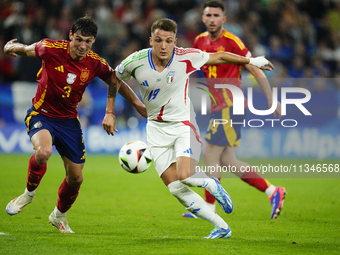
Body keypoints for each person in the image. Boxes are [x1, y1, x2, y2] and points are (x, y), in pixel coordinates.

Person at [102, 18, 274, 239]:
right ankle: (222, 227)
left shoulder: (186, 57)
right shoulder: (135, 61)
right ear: (150, 40)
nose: (163, 46)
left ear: (175, 41)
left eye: (168, 41)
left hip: (183, 124)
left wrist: (252, 60)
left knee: (184, 174)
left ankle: (212, 183)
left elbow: (220, 56)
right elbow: (114, 76)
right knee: (175, 189)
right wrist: (115, 109)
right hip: (155, 129)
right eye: (158, 40)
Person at [4, 16, 146, 233]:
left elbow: (114, 79)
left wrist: (133, 104)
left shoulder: (95, 62)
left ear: (93, 41)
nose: (82, 46)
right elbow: (26, 49)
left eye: (88, 41)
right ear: (70, 35)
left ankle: (59, 215)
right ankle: (28, 195)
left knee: (76, 178)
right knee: (43, 152)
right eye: (79, 39)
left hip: (69, 121)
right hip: (41, 114)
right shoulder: (50, 49)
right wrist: (11, 46)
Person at [182, 1, 286, 220]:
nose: (212, 19)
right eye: (208, 15)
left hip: (231, 106)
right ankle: (272, 191)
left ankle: (209, 209)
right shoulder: (199, 41)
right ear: (203, 18)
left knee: (210, 153)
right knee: (228, 160)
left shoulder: (232, 42)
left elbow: (255, 69)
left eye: (216, 15)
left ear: (224, 19)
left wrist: (271, 100)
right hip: (218, 107)